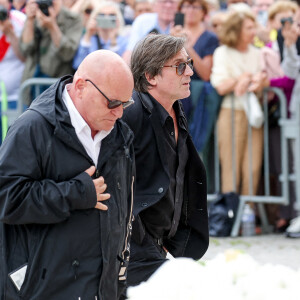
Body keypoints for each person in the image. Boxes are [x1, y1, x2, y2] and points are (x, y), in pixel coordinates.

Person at [0, 50, 135, 300]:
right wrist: (76, 193)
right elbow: (7, 198)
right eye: (113, 103)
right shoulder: (32, 128)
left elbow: (123, 216)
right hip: (43, 289)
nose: (119, 113)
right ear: (81, 86)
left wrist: (118, 281)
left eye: (125, 104)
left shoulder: (120, 134)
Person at [122, 34, 209, 293]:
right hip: (134, 251)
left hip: (158, 246)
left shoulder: (175, 110)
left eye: (189, 63)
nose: (190, 72)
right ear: (151, 76)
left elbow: (177, 180)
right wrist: (140, 241)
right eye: (180, 66)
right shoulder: (131, 113)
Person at [210, 10, 268, 198]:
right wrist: (241, 78)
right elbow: (220, 86)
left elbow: (264, 79)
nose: (254, 31)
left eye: (254, 27)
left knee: (253, 167)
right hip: (231, 113)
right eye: (249, 28)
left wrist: (258, 79)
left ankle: (247, 215)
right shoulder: (222, 52)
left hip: (254, 114)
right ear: (237, 30)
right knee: (231, 167)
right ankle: (231, 215)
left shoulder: (258, 53)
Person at [19, 0, 83, 105]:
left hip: (58, 88)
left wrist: (52, 26)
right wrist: (30, 20)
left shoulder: (73, 19)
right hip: (31, 86)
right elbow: (25, 49)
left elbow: (67, 53)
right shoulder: (34, 15)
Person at [72, 1, 128, 70]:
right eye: (102, 15)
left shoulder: (124, 41)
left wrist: (113, 40)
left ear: (118, 19)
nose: (106, 18)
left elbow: (120, 68)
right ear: (95, 17)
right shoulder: (89, 39)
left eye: (111, 16)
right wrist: (88, 34)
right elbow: (77, 64)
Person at [0, 0, 25, 143]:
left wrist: (10, 33)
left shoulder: (19, 20)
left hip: (15, 96)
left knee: (12, 142)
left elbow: (24, 56)